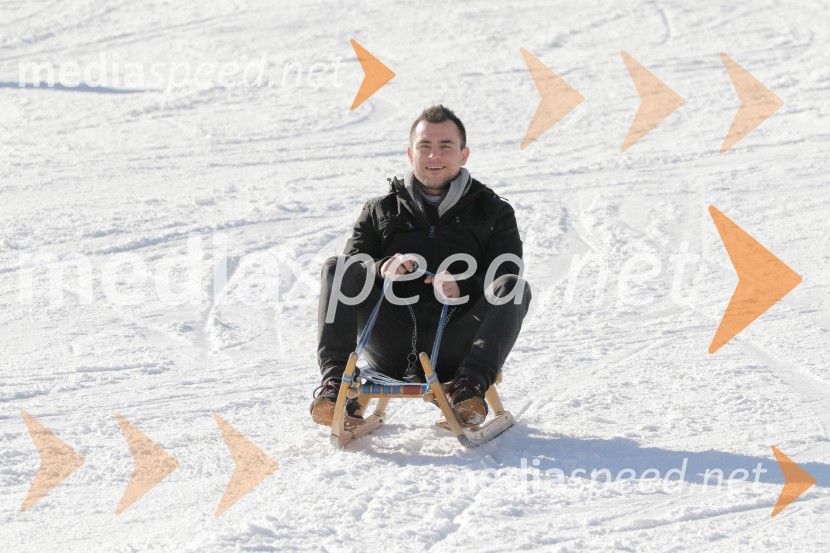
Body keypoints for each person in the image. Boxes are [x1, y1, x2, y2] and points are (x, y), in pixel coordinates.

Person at [311, 105, 531, 427]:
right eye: (425, 146)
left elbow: (505, 271)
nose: (434, 156)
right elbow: (356, 264)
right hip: (390, 339)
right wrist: (382, 267)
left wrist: (463, 285)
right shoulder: (380, 209)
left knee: (514, 287)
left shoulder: (493, 212)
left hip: (457, 343)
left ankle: (469, 389)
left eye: (445, 146)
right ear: (410, 153)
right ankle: (336, 386)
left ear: (464, 154)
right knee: (338, 267)